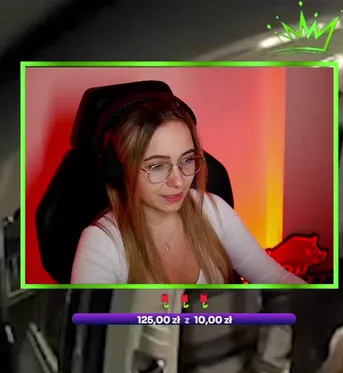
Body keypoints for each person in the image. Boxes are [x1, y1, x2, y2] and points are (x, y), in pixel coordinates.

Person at [70, 94, 305, 285]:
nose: (179, 181)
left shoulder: (212, 210)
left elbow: (278, 279)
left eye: (187, 160)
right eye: (157, 166)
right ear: (121, 171)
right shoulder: (103, 244)